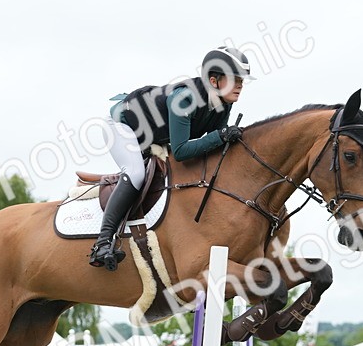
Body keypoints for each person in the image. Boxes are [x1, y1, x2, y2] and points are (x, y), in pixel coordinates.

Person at [88, 46, 251, 271]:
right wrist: (221, 136)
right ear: (213, 81)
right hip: (122, 125)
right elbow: (182, 151)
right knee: (135, 173)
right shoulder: (184, 98)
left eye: (241, 80)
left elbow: (213, 148)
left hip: (154, 135)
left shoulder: (224, 104)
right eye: (235, 79)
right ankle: (103, 242)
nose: (241, 85)